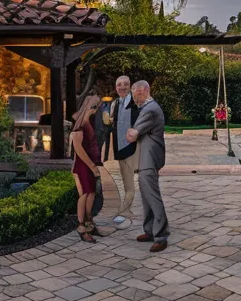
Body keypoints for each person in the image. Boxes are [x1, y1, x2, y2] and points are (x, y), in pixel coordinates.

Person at [125, 80, 170, 252]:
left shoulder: (150, 110)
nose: (134, 97)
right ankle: (150, 230)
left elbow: (132, 136)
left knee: (153, 197)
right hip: (146, 159)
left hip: (149, 160)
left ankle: (161, 235)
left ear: (144, 90)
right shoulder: (149, 108)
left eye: (135, 93)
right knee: (146, 197)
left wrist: (128, 130)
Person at [69, 94, 106, 243]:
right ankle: (81, 226)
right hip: (82, 165)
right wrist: (92, 167)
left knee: (91, 193)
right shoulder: (80, 126)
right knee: (84, 194)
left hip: (89, 164)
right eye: (94, 106)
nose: (95, 110)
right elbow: (78, 149)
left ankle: (89, 222)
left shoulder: (87, 123)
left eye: (97, 107)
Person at [103, 75, 139, 225]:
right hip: (120, 147)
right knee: (126, 182)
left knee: (129, 184)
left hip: (133, 147)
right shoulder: (115, 103)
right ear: (116, 87)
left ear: (130, 86)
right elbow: (111, 122)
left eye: (125, 84)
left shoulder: (137, 102)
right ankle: (127, 210)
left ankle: (123, 212)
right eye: (119, 85)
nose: (122, 87)